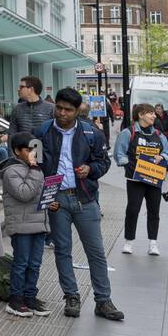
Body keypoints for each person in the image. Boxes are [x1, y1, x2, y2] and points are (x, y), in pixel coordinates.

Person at [34, 88, 123, 321]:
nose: (62, 113)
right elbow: (34, 165)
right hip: (56, 199)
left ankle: (103, 300)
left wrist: (90, 170)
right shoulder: (42, 131)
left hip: (85, 198)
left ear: (77, 111)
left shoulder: (91, 132)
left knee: (96, 251)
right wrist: (45, 194)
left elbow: (103, 163)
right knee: (63, 250)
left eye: (68, 110)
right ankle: (71, 296)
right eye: (59, 108)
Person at [0, 132, 51, 318]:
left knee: (35, 263)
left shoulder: (35, 169)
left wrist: (49, 200)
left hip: (38, 222)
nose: (32, 153)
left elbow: (37, 194)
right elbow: (24, 194)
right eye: (28, 149)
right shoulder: (11, 171)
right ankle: (16, 300)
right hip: (21, 225)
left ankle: (30, 297)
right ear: (16, 151)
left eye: (34, 149)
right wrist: (35, 171)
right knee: (21, 263)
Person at [115, 103, 168, 256]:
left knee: (154, 211)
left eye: (154, 113)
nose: (154, 116)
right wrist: (131, 165)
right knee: (133, 210)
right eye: (150, 113)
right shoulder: (128, 133)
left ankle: (153, 243)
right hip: (135, 179)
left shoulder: (159, 135)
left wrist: (162, 157)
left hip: (154, 178)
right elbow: (119, 153)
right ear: (140, 115)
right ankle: (129, 241)